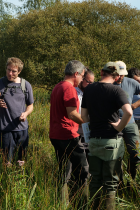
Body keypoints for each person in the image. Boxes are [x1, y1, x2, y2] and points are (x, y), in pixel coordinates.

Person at [81, 62, 132, 210]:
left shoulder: (89, 89)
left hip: (94, 140)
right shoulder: (117, 91)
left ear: (101, 72)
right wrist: (119, 127)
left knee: (95, 180)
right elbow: (129, 112)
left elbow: (84, 116)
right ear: (117, 77)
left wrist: (96, 121)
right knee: (110, 183)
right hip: (112, 141)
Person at [49, 60, 89, 206]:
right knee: (83, 170)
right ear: (76, 73)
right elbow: (72, 114)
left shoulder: (58, 86)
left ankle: (62, 202)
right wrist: (89, 122)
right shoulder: (69, 88)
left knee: (64, 169)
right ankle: (81, 204)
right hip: (67, 135)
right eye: (82, 76)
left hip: (56, 134)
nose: (82, 79)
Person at [0, 57, 34, 166]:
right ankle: (6, 181)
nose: (10, 73)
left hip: (22, 129)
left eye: (14, 71)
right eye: (8, 70)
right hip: (4, 130)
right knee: (6, 162)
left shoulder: (25, 85)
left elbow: (30, 105)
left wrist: (26, 113)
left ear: (19, 71)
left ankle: (19, 180)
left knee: (20, 161)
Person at [114, 61, 140, 181]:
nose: (120, 77)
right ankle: (119, 184)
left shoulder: (130, 82)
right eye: (118, 74)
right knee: (115, 156)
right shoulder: (107, 84)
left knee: (136, 153)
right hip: (113, 125)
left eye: (122, 74)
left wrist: (133, 106)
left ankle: (133, 182)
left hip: (130, 124)